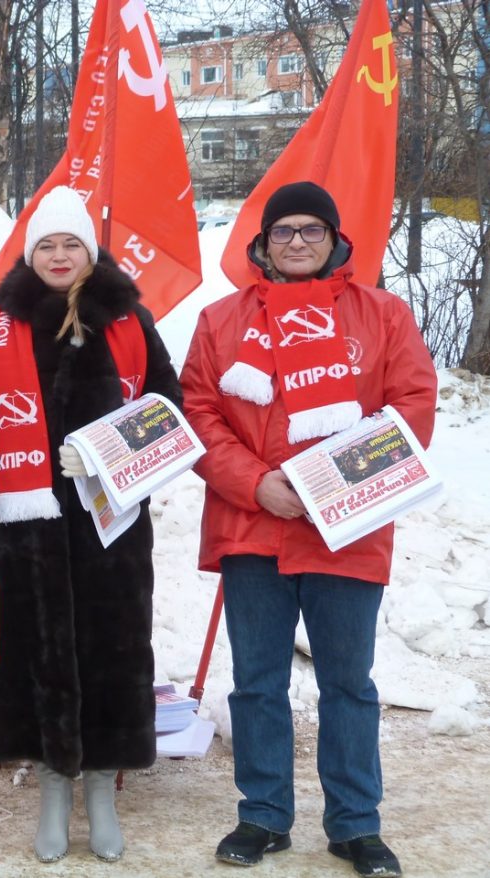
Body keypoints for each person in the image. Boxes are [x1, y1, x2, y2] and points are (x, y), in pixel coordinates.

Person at [179, 182, 437, 878]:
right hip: (251, 526)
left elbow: (411, 406)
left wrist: (331, 488)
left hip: (347, 531)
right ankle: (263, 815)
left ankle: (355, 825)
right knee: (257, 683)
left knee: (348, 684)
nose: (297, 241)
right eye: (283, 231)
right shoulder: (220, 320)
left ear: (335, 239)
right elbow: (197, 412)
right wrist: (254, 482)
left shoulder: (383, 314)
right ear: (262, 245)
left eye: (311, 230)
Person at [0, 186, 182, 863]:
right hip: (25, 534)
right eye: (46, 244)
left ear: (90, 251)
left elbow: (169, 413)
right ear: (30, 252)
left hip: (112, 531)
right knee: (32, 658)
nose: (58, 254)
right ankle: (51, 790)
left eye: (71, 242)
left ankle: (101, 791)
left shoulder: (131, 322)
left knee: (112, 656)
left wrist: (108, 456)